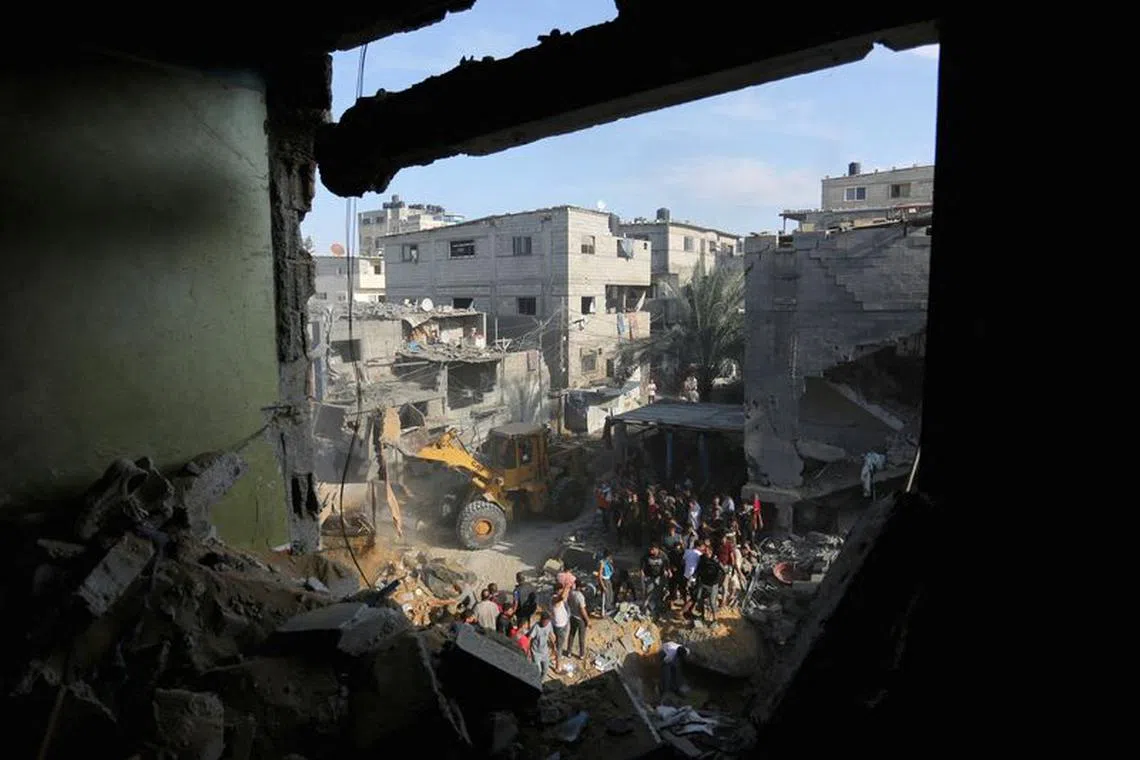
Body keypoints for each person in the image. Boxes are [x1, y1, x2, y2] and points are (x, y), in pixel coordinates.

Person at [694, 544, 725, 622]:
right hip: (703, 582)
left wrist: (720, 583)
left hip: (713, 584)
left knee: (712, 602)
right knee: (698, 598)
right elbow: (698, 568)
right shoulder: (702, 558)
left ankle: (715, 619)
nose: (704, 552)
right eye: (704, 550)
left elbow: (723, 571)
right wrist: (695, 577)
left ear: (710, 551)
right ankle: (702, 615)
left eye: (706, 551)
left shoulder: (715, 560)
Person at [527, 611, 558, 680]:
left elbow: (551, 635)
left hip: (545, 652)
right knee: (538, 671)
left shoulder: (549, 624)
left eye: (547, 622)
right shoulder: (536, 627)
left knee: (545, 670)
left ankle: (541, 681)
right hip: (536, 653)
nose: (546, 624)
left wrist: (554, 647)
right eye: (545, 622)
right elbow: (529, 639)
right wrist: (528, 651)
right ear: (541, 620)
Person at [641, 543, 669, 618]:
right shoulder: (647, 555)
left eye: (653, 549)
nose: (651, 551)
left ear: (657, 549)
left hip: (660, 576)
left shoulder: (663, 555)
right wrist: (642, 571)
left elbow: (666, 564)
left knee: (659, 592)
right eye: (650, 549)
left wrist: (667, 570)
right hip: (649, 576)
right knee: (649, 592)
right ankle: (645, 608)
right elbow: (642, 563)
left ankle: (658, 608)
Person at [566, 579, 589, 658]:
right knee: (581, 637)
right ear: (580, 587)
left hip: (572, 616)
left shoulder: (571, 593)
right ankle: (581, 654)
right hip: (580, 619)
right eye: (583, 587)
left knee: (571, 634)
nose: (584, 588)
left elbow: (568, 602)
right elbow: (582, 610)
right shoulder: (580, 597)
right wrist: (587, 620)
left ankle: (569, 652)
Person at [551, 589, 571, 658]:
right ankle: (558, 657)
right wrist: (566, 587)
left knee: (559, 641)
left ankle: (555, 653)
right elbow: (562, 597)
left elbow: (563, 597)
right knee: (560, 643)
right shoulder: (554, 599)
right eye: (561, 590)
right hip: (560, 625)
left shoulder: (557, 598)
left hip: (563, 623)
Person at [597, 548, 616, 617]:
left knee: (610, 594)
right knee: (604, 596)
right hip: (604, 580)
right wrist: (603, 586)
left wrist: (611, 564)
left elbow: (612, 571)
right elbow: (599, 575)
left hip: (608, 579)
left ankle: (608, 607)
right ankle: (603, 611)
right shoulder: (602, 563)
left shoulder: (608, 562)